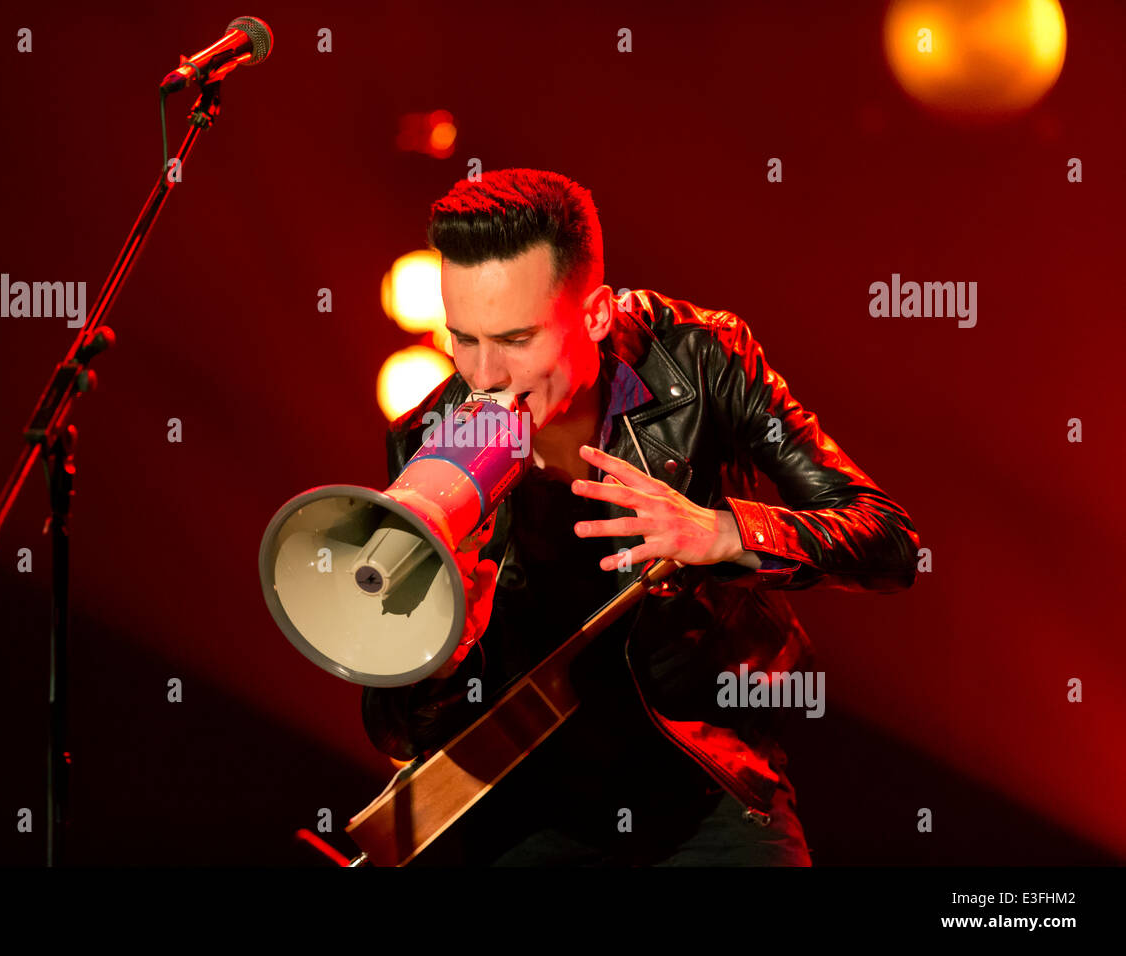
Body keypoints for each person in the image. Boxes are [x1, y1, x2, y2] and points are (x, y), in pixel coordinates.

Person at [361, 168, 919, 866]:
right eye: (463, 339)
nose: (485, 374)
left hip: (704, 786)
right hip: (527, 809)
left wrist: (724, 532)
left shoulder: (701, 356)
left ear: (594, 315)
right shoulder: (427, 440)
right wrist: (440, 661)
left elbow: (890, 543)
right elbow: (393, 728)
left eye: (515, 338)